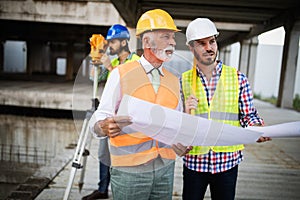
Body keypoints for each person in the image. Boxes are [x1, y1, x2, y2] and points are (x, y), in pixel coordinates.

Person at [89, 9, 191, 200]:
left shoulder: (173, 81)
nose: (172, 42)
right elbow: (100, 117)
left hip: (165, 170)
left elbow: (174, 124)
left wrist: (180, 141)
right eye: (165, 37)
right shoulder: (121, 73)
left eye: (173, 37)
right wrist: (103, 126)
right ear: (146, 42)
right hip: (130, 172)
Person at [180, 18, 271, 200]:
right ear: (191, 48)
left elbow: (248, 115)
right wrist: (184, 113)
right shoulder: (183, 81)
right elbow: (178, 122)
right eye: (202, 43)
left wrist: (257, 128)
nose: (209, 47)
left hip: (227, 163)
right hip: (194, 163)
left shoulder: (238, 78)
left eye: (212, 41)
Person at [82, 24, 140, 200]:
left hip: (126, 119)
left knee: (123, 156)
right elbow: (94, 79)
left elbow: (128, 85)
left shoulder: (136, 61)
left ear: (124, 42)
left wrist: (109, 68)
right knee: (103, 154)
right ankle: (102, 189)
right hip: (109, 117)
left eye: (113, 42)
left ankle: (122, 190)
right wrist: (97, 62)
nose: (110, 45)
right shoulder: (114, 62)